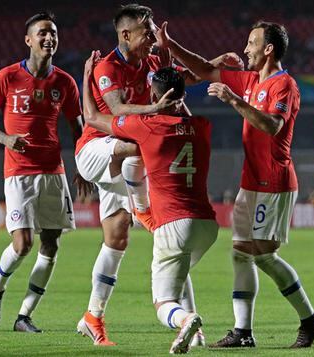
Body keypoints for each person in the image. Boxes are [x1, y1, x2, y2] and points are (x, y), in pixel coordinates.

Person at [157, 20, 314, 348]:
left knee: (263, 256)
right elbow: (205, 69)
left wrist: (234, 100)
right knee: (240, 254)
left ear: (268, 49)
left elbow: (273, 126)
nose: (245, 49)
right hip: (250, 182)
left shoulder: (285, 85)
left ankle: (310, 319)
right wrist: (170, 44)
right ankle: (243, 332)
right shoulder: (250, 79)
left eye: (251, 43)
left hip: (273, 182)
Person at [74, 4, 209, 346]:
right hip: (98, 150)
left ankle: (93, 317)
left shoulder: (151, 63)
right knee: (140, 146)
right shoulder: (107, 66)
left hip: (130, 156)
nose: (152, 38)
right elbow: (116, 110)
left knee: (121, 237)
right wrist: (155, 113)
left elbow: (181, 83)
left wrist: (216, 66)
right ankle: (141, 207)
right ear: (125, 34)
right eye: (147, 32)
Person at [0, 12, 87, 333]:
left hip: (53, 171)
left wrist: (83, 165)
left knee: (51, 245)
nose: (48, 38)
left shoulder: (64, 82)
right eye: (42, 33)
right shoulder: (7, 77)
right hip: (19, 172)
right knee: (23, 243)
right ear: (28, 40)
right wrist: (6, 139)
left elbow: (77, 127)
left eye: (53, 33)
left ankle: (24, 316)